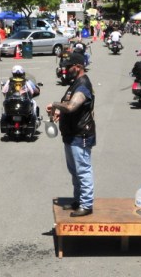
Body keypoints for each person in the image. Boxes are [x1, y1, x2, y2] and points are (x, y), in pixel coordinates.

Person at [47, 52, 97, 217]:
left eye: (69, 66)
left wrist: (55, 105)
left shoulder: (83, 85)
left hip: (80, 135)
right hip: (70, 135)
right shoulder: (75, 83)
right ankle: (78, 200)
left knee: (83, 170)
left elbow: (71, 107)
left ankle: (86, 204)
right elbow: (68, 107)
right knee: (74, 171)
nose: (66, 69)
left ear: (78, 67)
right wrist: (60, 114)